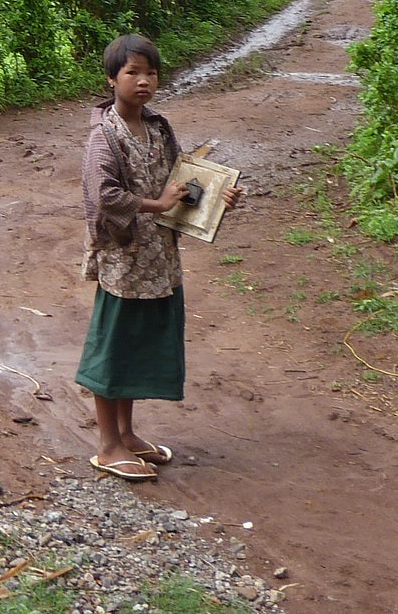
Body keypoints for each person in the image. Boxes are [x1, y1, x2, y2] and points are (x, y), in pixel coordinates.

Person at [76, 31, 234, 481]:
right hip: (123, 259)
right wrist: (156, 205)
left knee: (138, 343)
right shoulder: (104, 137)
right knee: (113, 346)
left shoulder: (159, 128)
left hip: (158, 256)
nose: (143, 82)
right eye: (132, 73)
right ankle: (106, 446)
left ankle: (126, 434)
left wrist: (217, 195)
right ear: (111, 79)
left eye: (151, 73)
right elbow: (105, 195)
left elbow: (180, 180)